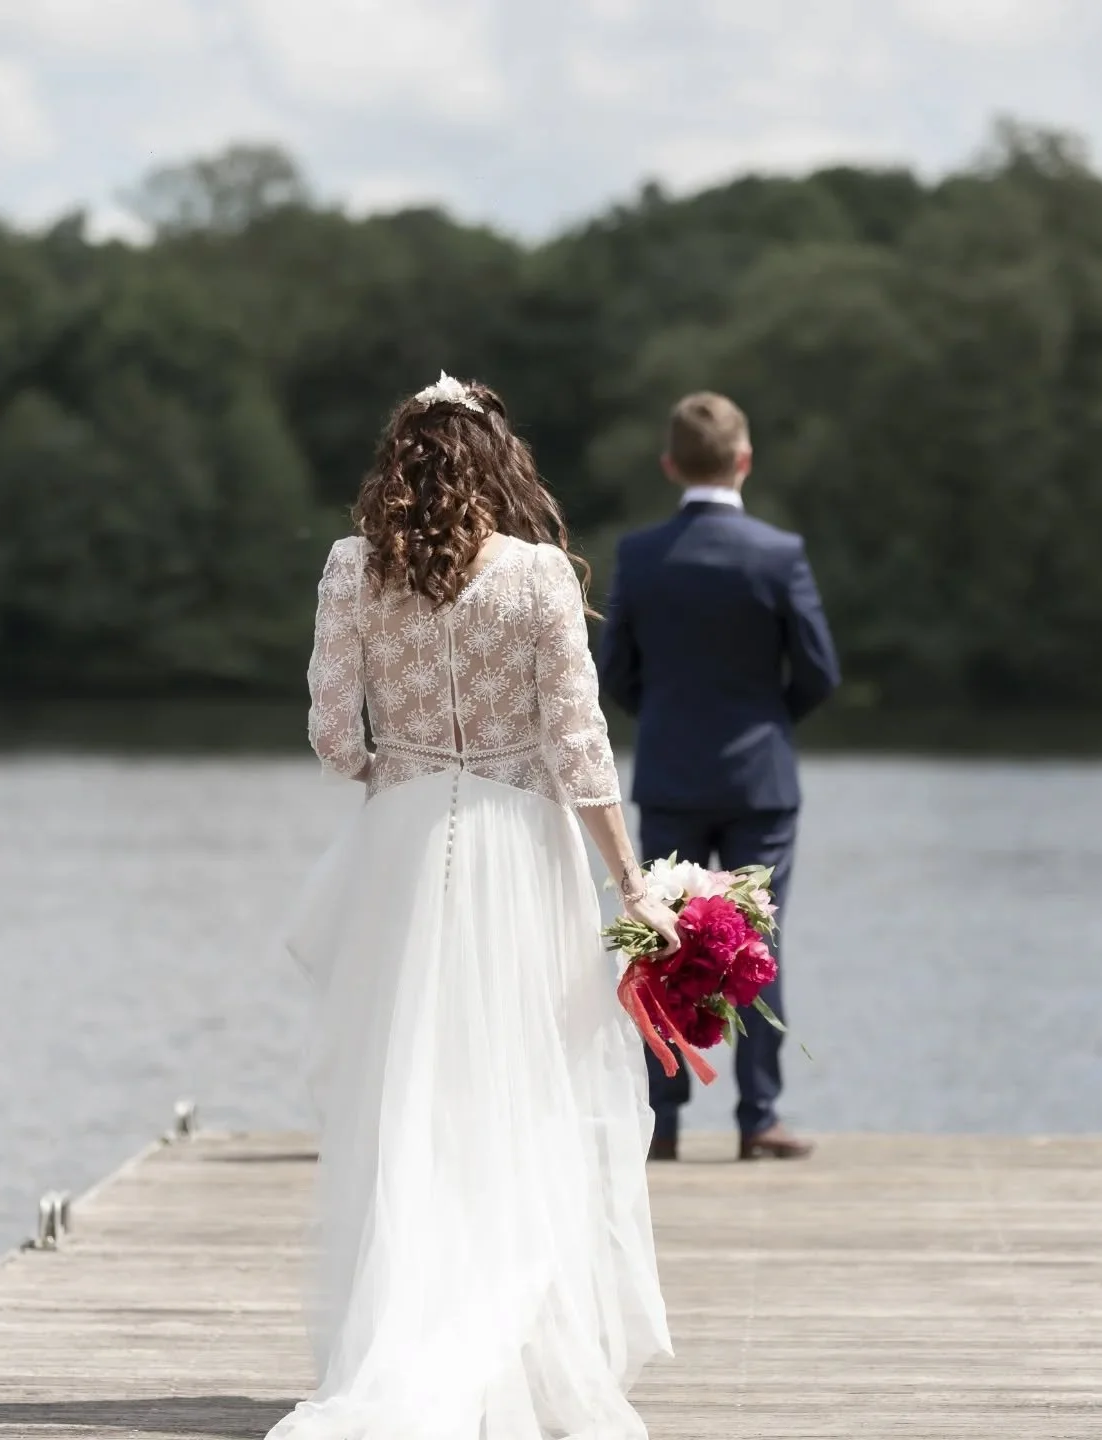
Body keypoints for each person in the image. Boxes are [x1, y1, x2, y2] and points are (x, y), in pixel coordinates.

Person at [271, 373, 678, 1440]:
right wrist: (630, 880)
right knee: (516, 1084)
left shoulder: (352, 568)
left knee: (404, 1090)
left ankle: (396, 1331)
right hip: (517, 842)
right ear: (501, 464)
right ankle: (512, 1336)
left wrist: (388, 771)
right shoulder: (539, 575)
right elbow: (580, 748)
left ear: (396, 464)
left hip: (403, 840)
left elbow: (328, 737)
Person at [599, 392, 840, 1163]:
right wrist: (767, 723)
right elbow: (819, 671)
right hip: (760, 779)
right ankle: (758, 1117)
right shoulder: (779, 554)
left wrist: (664, 719)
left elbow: (615, 675)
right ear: (744, 460)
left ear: (671, 464)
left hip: (669, 770)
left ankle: (660, 1121)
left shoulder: (640, 554)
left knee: (661, 941)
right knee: (757, 939)